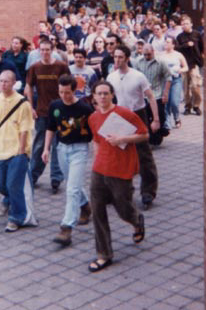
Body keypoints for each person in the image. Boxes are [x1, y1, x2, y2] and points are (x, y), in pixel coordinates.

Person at [86, 80, 147, 273]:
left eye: (106, 93)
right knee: (97, 211)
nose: (102, 97)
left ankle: (136, 221)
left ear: (112, 95)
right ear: (94, 97)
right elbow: (96, 141)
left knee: (123, 209)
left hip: (121, 170)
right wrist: (97, 162)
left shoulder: (125, 114)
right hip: (99, 170)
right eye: (99, 94)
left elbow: (144, 134)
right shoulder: (93, 118)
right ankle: (104, 254)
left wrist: (123, 139)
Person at [106, 45, 160, 210]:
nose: (117, 60)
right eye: (115, 57)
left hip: (137, 115)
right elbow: (108, 99)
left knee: (144, 155)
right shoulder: (111, 77)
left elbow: (151, 97)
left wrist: (156, 119)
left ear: (127, 58)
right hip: (120, 117)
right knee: (118, 154)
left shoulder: (138, 76)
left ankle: (148, 192)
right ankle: (120, 191)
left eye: (120, 57)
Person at [42, 75, 93, 246]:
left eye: (68, 93)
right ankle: (85, 205)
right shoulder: (55, 106)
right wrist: (46, 149)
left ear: (75, 90)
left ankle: (66, 228)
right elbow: (50, 127)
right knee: (73, 184)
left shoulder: (85, 109)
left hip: (79, 149)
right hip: (61, 149)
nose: (64, 96)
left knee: (71, 189)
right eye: (61, 92)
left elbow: (95, 129)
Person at [0, 70, 38, 232]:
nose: (3, 84)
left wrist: (21, 151)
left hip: (17, 151)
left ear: (14, 83)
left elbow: (25, 129)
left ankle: (16, 217)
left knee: (14, 185)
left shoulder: (23, 103)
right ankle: (9, 199)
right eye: (1, 81)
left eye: (7, 81)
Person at [25, 39, 70, 192]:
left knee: (58, 145)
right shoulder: (34, 67)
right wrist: (30, 107)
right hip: (42, 112)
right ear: (39, 51)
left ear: (52, 50)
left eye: (47, 50)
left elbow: (70, 86)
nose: (44, 52)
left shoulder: (61, 66)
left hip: (60, 111)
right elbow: (29, 87)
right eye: (42, 50)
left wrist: (67, 105)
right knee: (39, 145)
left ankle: (56, 179)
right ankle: (33, 175)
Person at [132, 44, 171, 146]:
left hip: (157, 93)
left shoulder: (161, 62)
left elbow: (168, 78)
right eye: (144, 55)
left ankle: (160, 130)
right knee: (145, 116)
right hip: (143, 95)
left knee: (159, 115)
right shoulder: (139, 61)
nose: (146, 57)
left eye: (148, 54)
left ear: (153, 52)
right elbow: (134, 77)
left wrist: (165, 93)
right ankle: (149, 137)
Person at [176, 15, 205, 116]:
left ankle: (196, 105)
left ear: (191, 24)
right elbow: (177, 48)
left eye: (186, 23)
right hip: (184, 65)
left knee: (195, 86)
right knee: (185, 88)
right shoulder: (179, 37)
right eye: (182, 24)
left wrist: (201, 59)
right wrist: (186, 45)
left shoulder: (197, 34)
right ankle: (188, 106)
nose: (184, 25)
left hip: (194, 64)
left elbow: (202, 48)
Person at [157, 38, 188, 129]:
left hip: (175, 80)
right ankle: (167, 122)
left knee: (174, 102)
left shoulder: (178, 55)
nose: (165, 43)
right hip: (164, 81)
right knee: (165, 102)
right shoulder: (160, 55)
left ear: (173, 45)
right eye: (165, 42)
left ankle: (176, 117)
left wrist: (180, 70)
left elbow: (186, 67)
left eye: (168, 42)